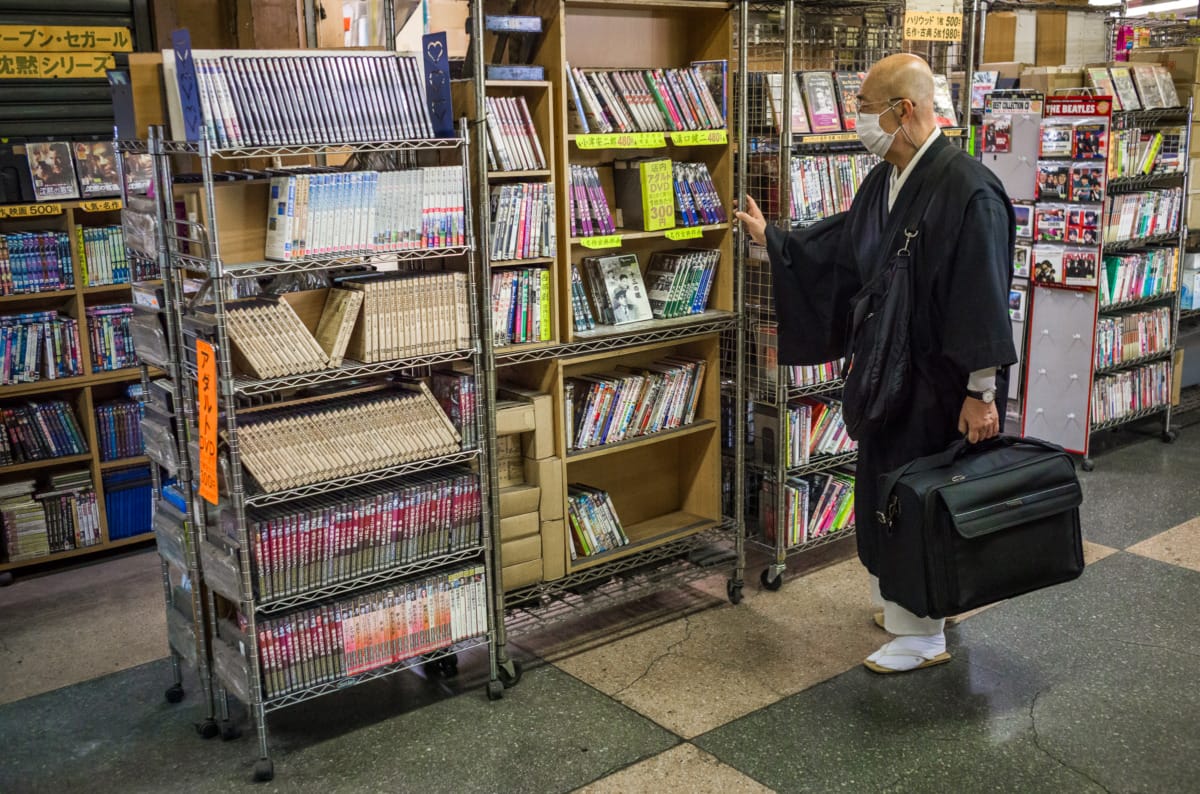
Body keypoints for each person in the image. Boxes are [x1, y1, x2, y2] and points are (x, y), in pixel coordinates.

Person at [736, 54, 1016, 674]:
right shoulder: (888, 178)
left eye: (865, 110)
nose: (859, 122)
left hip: (938, 383)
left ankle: (923, 634)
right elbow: (843, 245)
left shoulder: (969, 190)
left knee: (921, 497)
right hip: (887, 375)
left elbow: (982, 296)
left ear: (904, 110)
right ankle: (904, 605)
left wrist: (982, 392)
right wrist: (777, 242)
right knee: (886, 491)